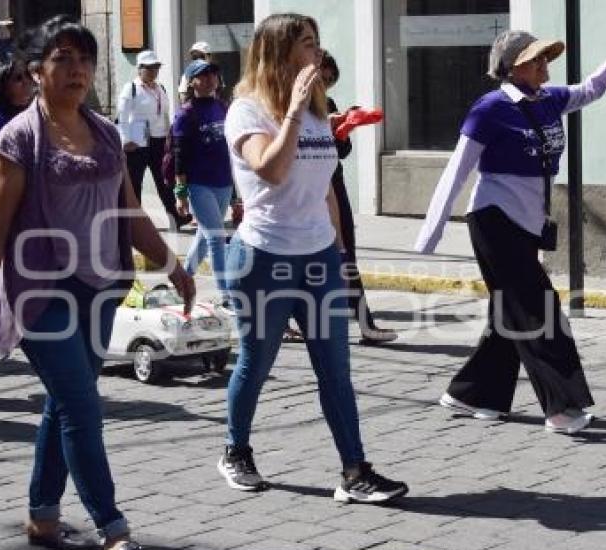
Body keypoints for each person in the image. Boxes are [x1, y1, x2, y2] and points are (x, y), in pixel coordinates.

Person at [0, 16, 195, 550]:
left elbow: (129, 211)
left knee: (65, 405)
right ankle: (113, 530)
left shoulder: (108, 134)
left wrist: (172, 263)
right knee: (83, 406)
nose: (77, 70)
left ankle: (43, 516)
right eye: (63, 58)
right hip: (40, 293)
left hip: (99, 289)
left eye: (84, 59)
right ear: (36, 71)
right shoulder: (17, 139)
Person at [219, 12, 408, 503]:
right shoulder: (247, 111)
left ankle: (354, 471)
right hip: (263, 257)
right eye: (306, 44)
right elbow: (272, 170)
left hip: (319, 254)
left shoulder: (320, 111)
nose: (317, 54)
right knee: (256, 364)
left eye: (317, 43)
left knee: (335, 369)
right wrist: (293, 111)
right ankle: (235, 450)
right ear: (279, 53)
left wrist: (341, 252)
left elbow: (325, 186)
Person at [414, 26, 606, 434]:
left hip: (528, 226)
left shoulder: (550, 100)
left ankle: (471, 393)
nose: (543, 65)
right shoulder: (489, 108)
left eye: (544, 58)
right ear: (511, 68)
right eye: (534, 59)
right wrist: (431, 232)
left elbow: (593, 88)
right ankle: (562, 408)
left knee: (511, 316)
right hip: (494, 221)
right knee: (541, 313)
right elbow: (456, 171)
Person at [320, 50, 397, 345]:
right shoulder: (292, 106)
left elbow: (342, 152)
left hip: (333, 183)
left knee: (346, 254)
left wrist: (342, 131)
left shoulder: (327, 104)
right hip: (308, 188)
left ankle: (366, 323)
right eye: (321, 78)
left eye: (329, 80)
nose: (325, 86)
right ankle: (283, 319)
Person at [173, 59, 232, 301]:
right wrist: (181, 193)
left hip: (224, 182)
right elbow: (179, 155)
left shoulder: (223, 107)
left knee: (205, 238)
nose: (209, 79)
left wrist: (237, 193)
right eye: (203, 76)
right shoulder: (186, 114)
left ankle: (183, 278)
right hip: (200, 185)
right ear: (192, 82)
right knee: (217, 239)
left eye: (213, 75)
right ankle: (227, 296)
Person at [117, 50, 190, 229]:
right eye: (149, 68)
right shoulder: (131, 88)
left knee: (164, 181)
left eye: (156, 67)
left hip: (159, 142)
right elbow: (122, 117)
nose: (153, 71)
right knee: (135, 184)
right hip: (136, 144)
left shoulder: (160, 88)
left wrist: (169, 138)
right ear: (139, 69)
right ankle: (134, 223)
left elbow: (164, 114)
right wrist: (125, 140)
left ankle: (175, 217)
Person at [0, 58, 34, 159]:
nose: (26, 81)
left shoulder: (32, 113)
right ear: (4, 87)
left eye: (27, 75)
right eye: (18, 78)